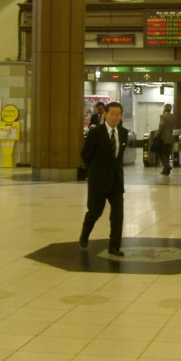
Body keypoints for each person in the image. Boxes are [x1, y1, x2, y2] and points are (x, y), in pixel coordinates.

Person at [79, 101, 129, 256]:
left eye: (118, 115)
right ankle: (85, 235)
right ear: (106, 114)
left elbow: (118, 157)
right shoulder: (96, 133)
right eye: (112, 114)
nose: (115, 117)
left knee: (118, 215)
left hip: (116, 181)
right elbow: (85, 154)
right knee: (95, 212)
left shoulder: (123, 133)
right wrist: (95, 170)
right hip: (98, 181)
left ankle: (114, 246)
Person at [157, 103, 175, 175]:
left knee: (161, 154)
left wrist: (156, 134)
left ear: (164, 108)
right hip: (170, 139)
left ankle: (167, 166)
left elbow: (161, 126)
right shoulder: (173, 117)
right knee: (167, 154)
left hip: (163, 139)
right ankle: (165, 170)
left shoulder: (162, 116)